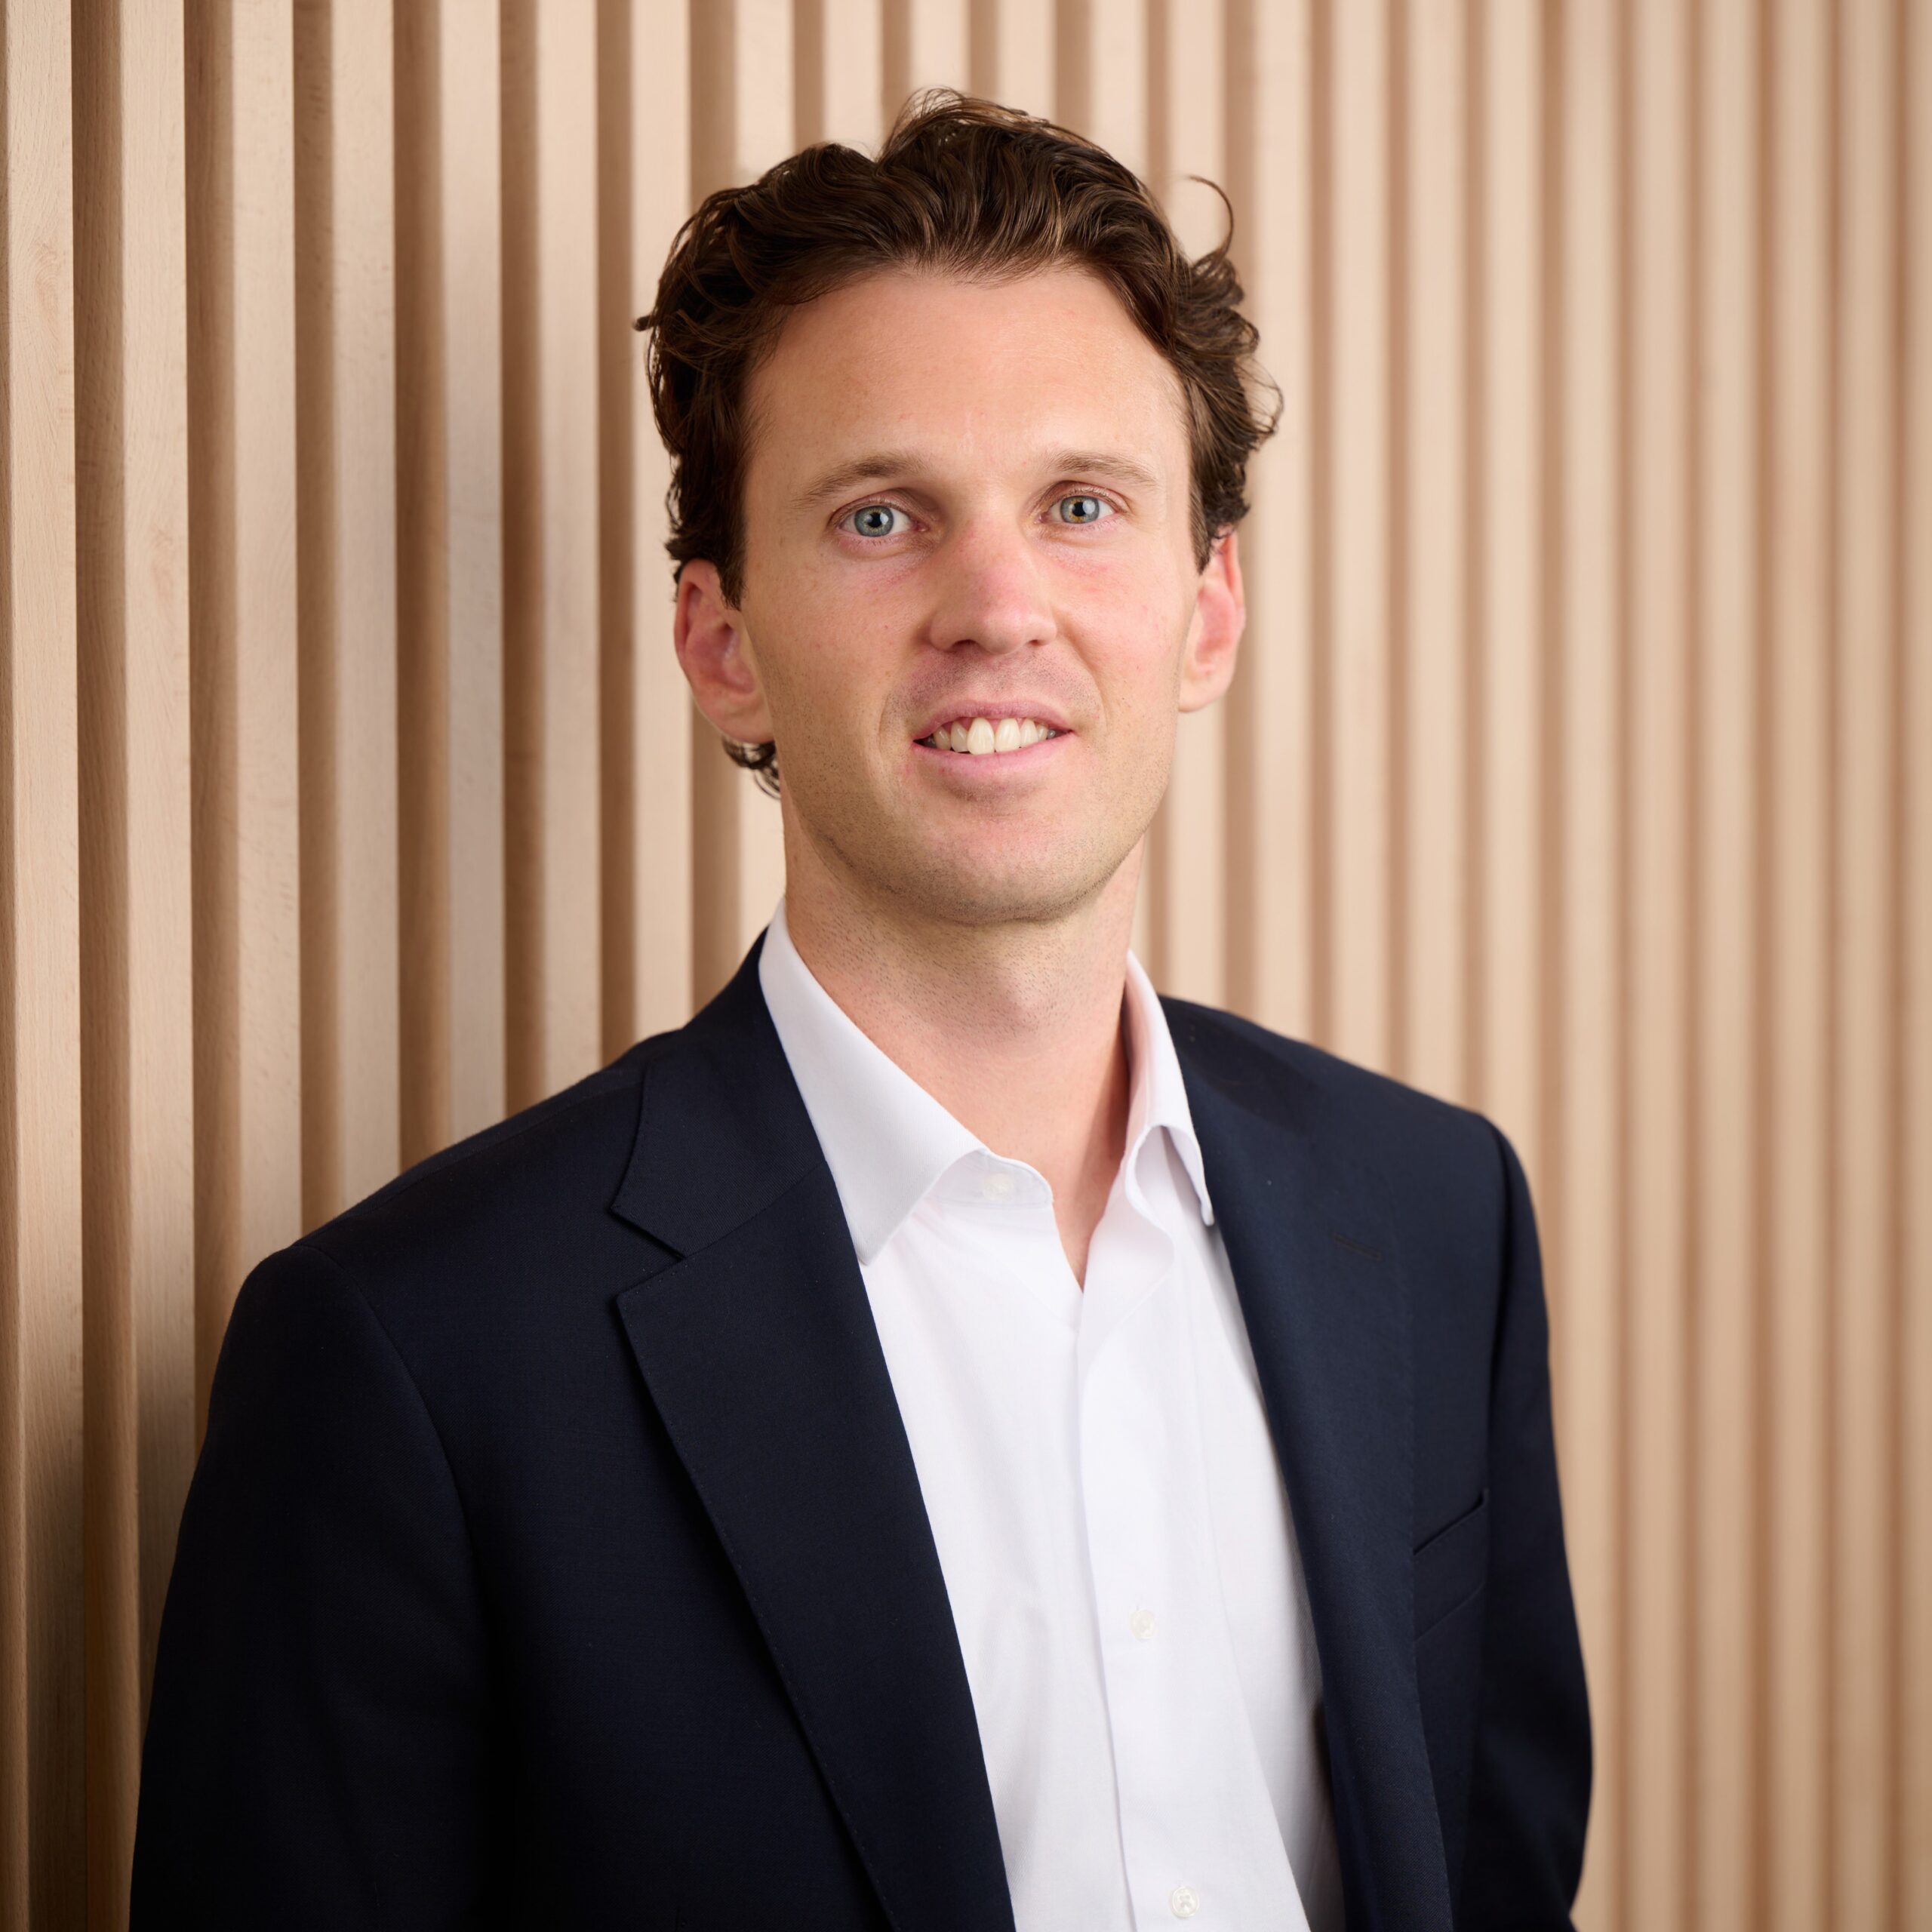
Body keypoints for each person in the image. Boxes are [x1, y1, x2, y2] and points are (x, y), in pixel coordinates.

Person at [132, 93, 1589, 1931]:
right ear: (720, 639)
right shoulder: (410, 1366)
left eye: (1080, 505)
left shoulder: (1435, 1214)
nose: (997, 605)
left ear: (1204, 604)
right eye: (881, 515)